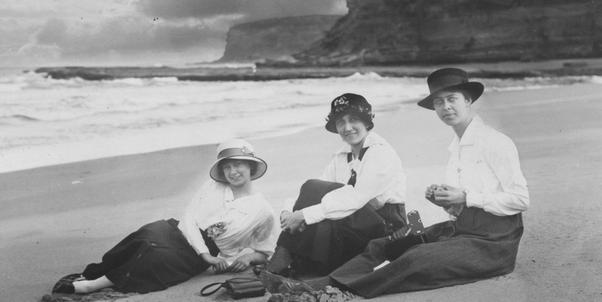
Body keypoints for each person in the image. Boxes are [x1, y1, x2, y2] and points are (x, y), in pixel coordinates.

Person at [320, 67, 530, 298]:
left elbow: (520, 200)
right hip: (460, 230)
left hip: (493, 244)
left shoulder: (495, 141)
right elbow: (463, 205)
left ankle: (340, 292)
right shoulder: (456, 147)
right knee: (385, 245)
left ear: (468, 100)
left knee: (416, 257)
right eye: (439, 102)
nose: (446, 107)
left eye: (452, 99)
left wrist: (465, 197)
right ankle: (323, 283)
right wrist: (446, 201)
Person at [51, 139, 279, 295]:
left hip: (202, 256)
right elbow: (189, 217)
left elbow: (266, 251)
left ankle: (91, 286)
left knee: (155, 255)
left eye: (238, 165)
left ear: (250, 167)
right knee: (148, 233)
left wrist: (247, 258)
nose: (232, 172)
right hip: (180, 232)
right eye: (227, 167)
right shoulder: (214, 186)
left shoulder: (263, 211)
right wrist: (204, 253)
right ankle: (91, 273)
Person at [266, 93, 407, 278]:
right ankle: (289, 259)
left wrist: (302, 215)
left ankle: (282, 255)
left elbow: (357, 198)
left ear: (366, 122)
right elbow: (316, 192)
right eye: (341, 122)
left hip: (386, 225)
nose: (347, 128)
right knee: (314, 195)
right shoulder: (342, 155)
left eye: (354, 120)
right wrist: (289, 212)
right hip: (354, 222)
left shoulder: (380, 152)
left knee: (313, 196)